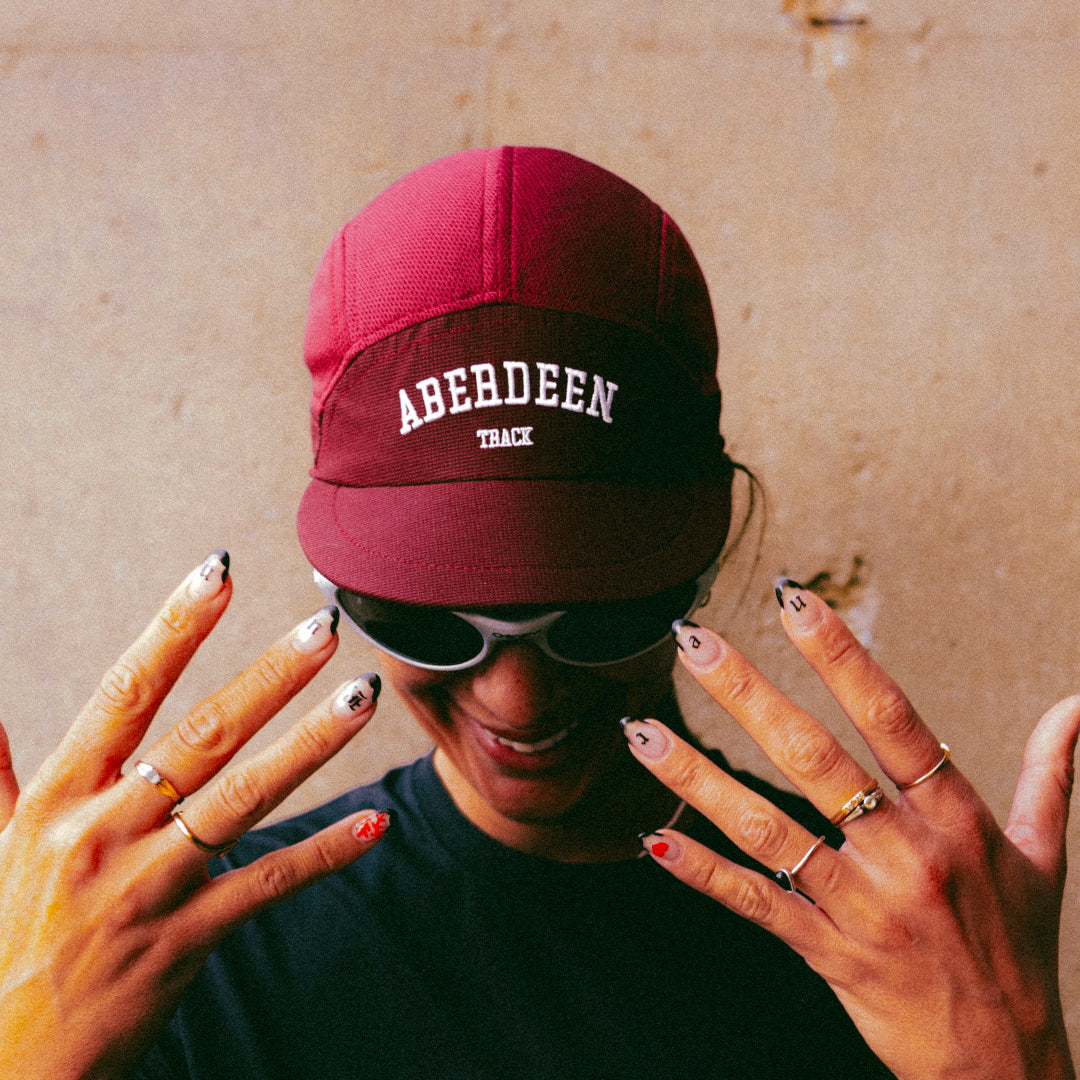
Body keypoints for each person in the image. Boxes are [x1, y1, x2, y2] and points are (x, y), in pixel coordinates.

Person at [0, 147, 1075, 1080]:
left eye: (598, 616)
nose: (516, 695)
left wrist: (1011, 1063)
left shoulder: (903, 962)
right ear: (338, 585)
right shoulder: (176, 957)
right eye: (430, 622)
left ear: (700, 561)